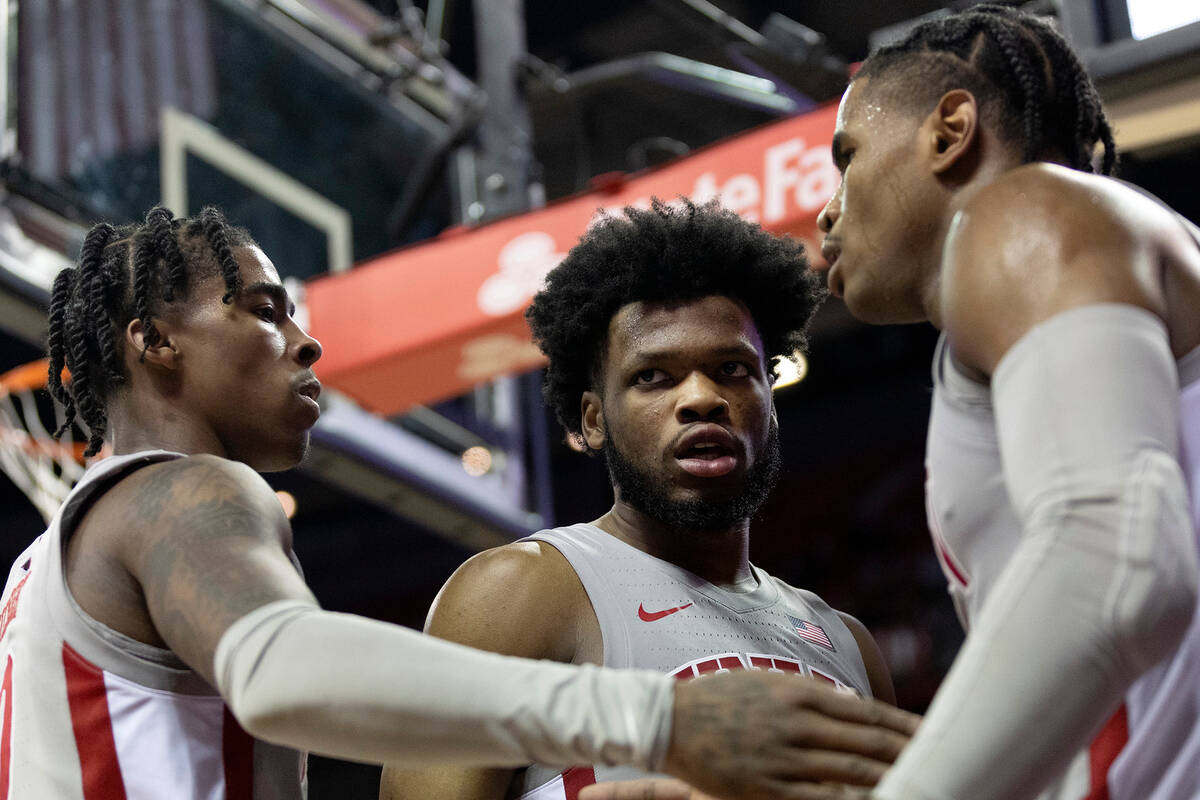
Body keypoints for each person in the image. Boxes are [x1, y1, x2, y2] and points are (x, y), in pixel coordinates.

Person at [0, 205, 920, 799]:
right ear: (155, 341)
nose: (306, 343)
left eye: (734, 371)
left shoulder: (45, 564)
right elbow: (283, 670)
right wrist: (661, 720)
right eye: (267, 308)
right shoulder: (182, 488)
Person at [586, 5, 1200, 800]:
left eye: (848, 159)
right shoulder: (1101, 266)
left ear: (949, 131)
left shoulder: (1023, 214)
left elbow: (1121, 561)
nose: (829, 211)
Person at [380, 199, 919, 800]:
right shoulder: (520, 593)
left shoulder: (848, 643)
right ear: (592, 420)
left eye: (733, 369)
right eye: (653, 377)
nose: (702, 398)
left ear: (770, 392)